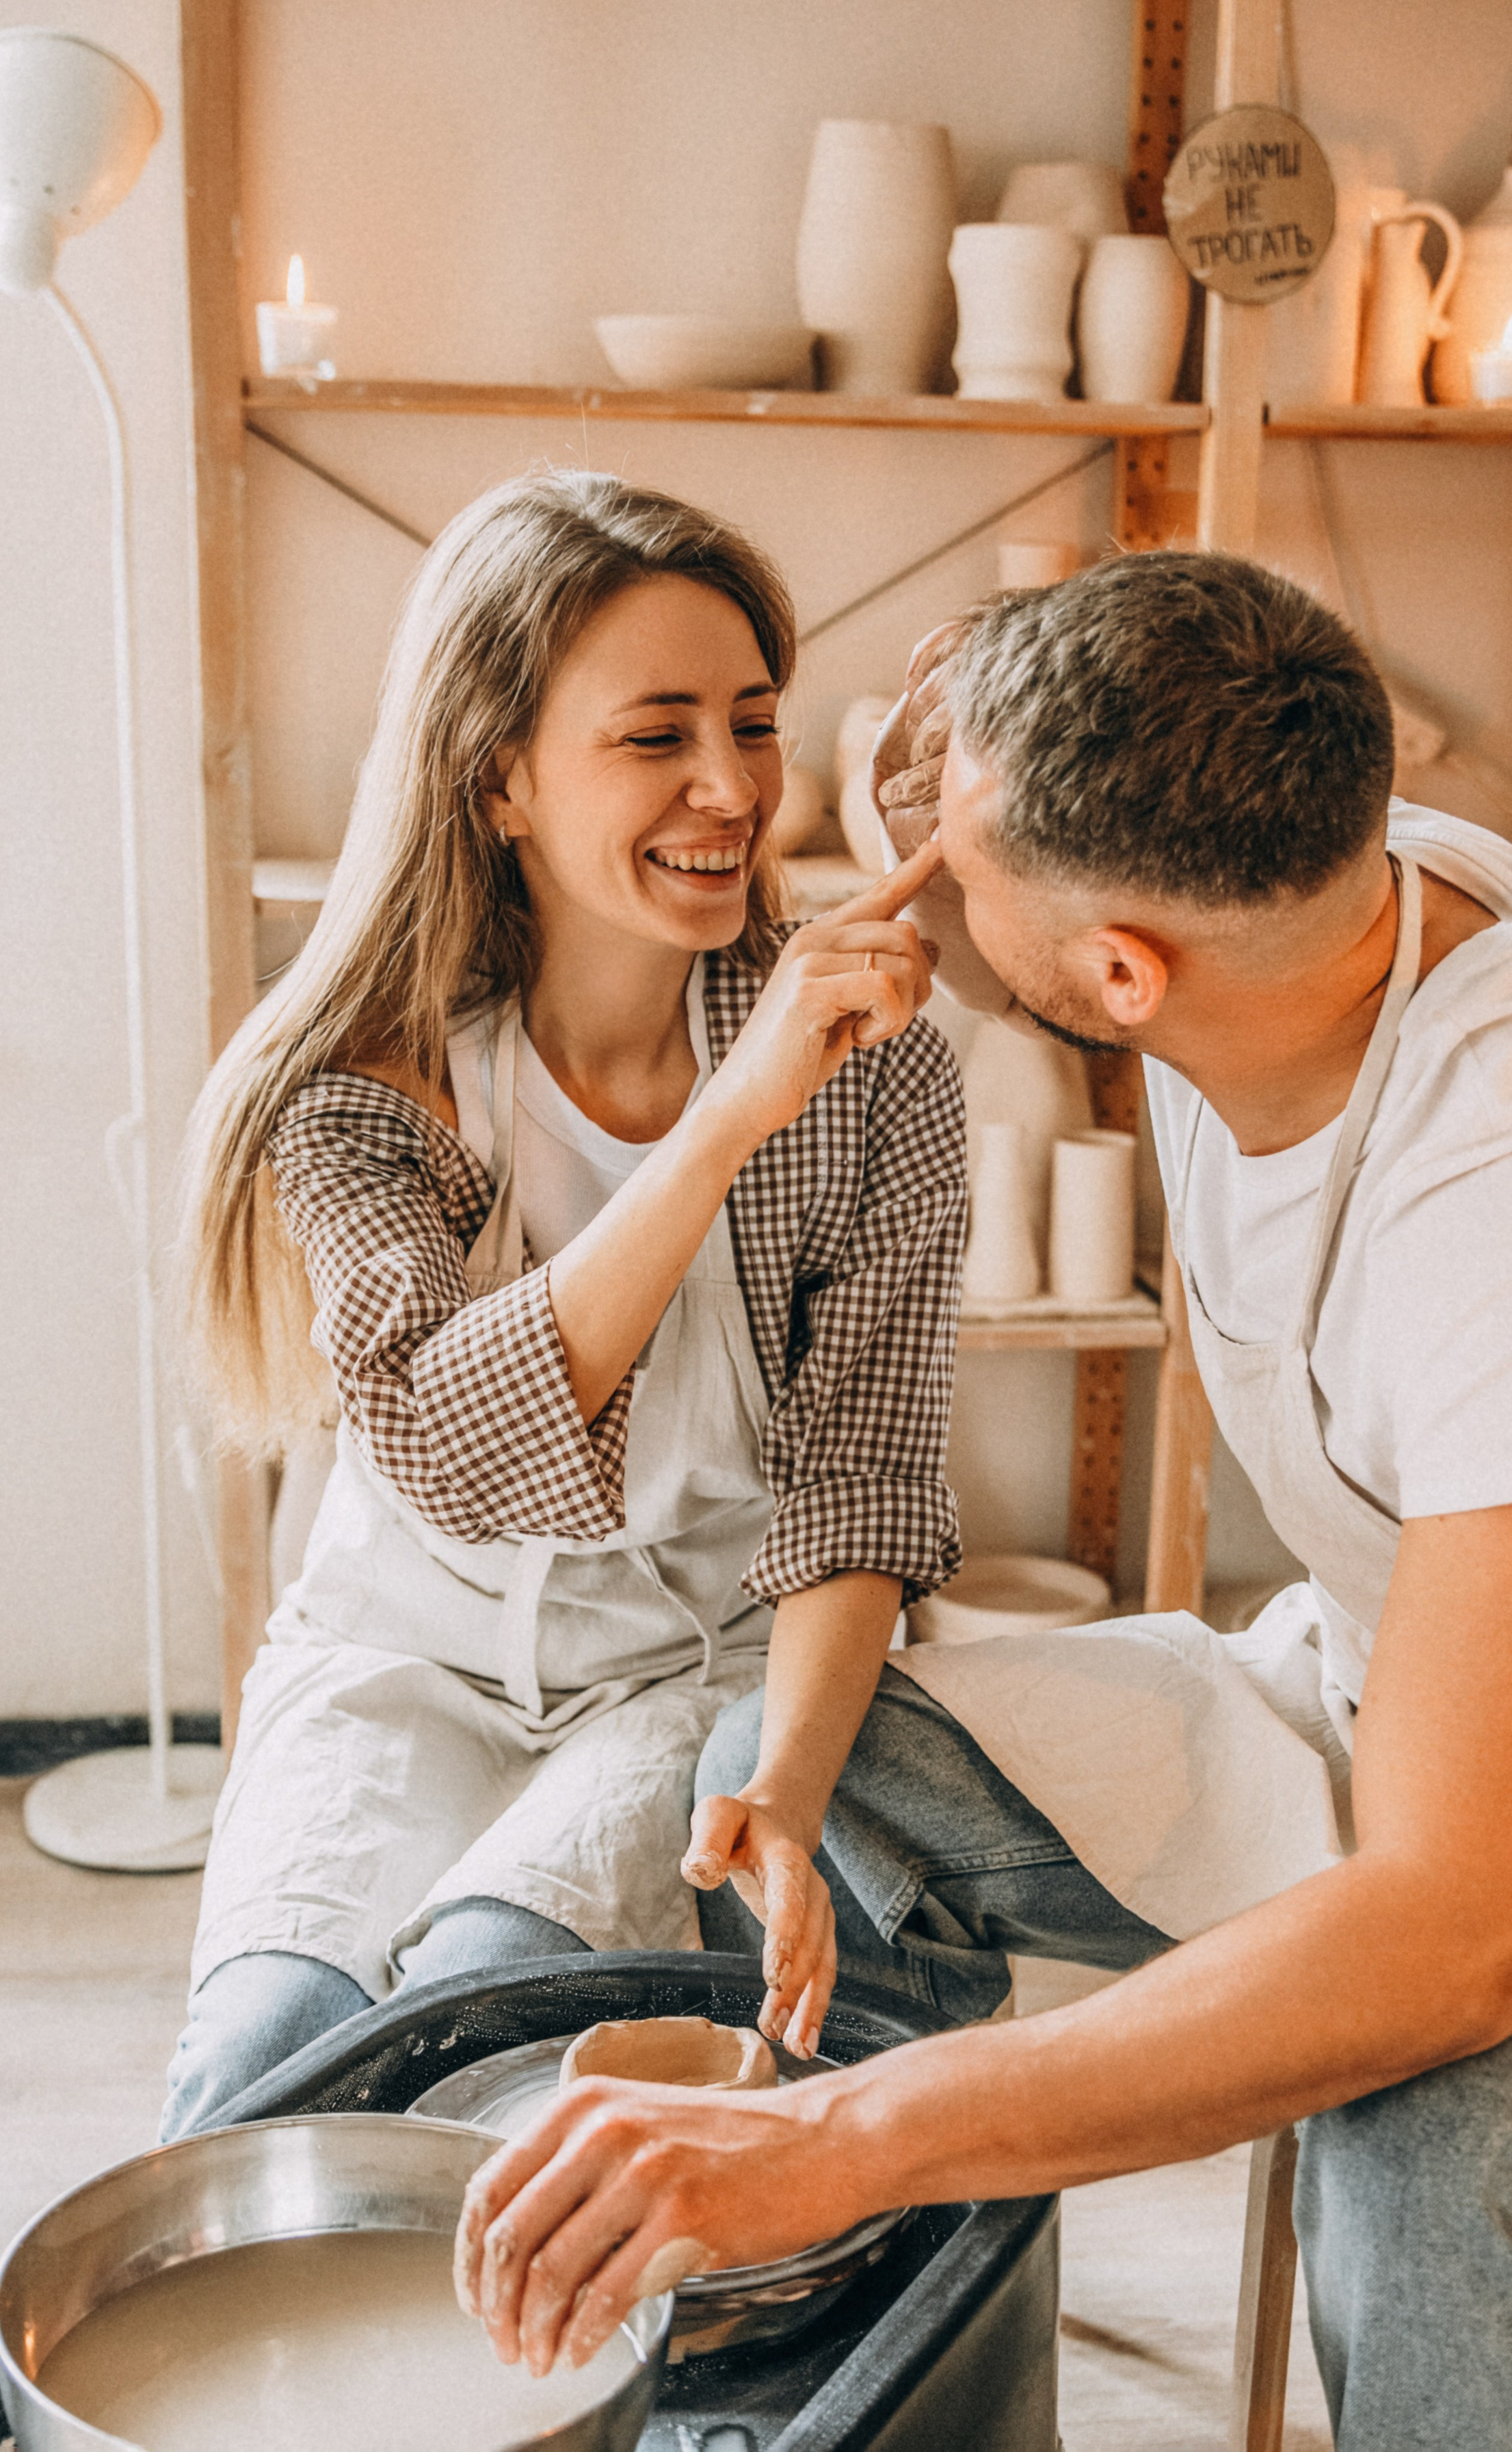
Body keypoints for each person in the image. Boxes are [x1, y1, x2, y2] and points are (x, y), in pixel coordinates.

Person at [452, 551, 1512, 2450]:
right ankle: (933, 2401)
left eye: (953, 867)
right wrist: (955, 772)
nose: (911, 882)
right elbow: (1075, 718)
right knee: (807, 1771)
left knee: (1443, 2106)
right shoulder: (1298, 868)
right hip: (1368, 1674)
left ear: (1122, 977)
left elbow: (1458, 1933)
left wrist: (844, 2135)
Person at [162, 471, 962, 2139]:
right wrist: (726, 1113)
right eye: (656, 734)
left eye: (753, 723)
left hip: (681, 1674)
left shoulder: (878, 1079)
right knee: (263, 2072)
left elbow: (862, 1481)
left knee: (489, 2023)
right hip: (399, 1660)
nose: (730, 787)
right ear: (498, 777)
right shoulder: (366, 1081)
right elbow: (453, 1448)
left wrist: (783, 1785)